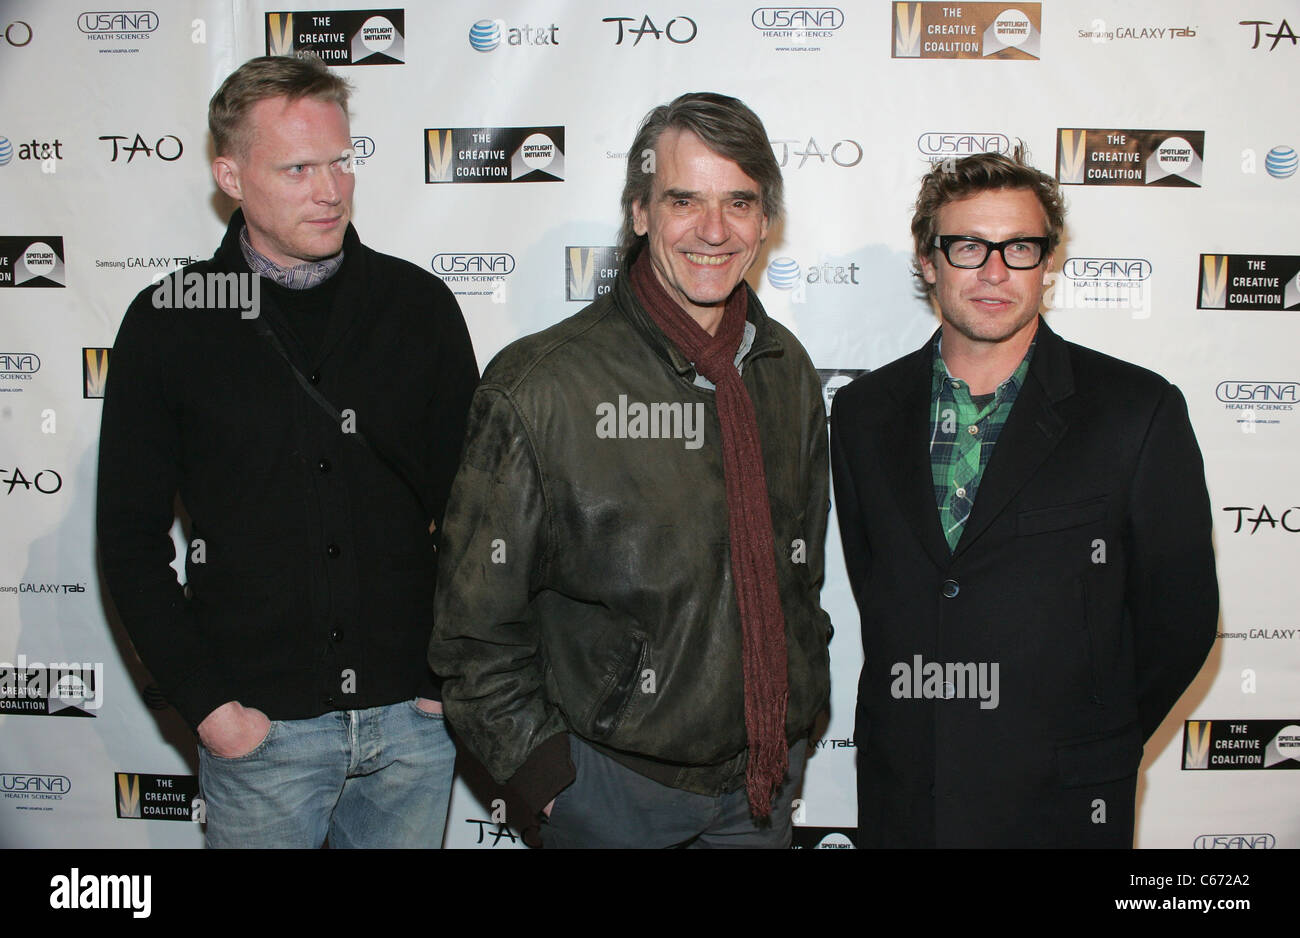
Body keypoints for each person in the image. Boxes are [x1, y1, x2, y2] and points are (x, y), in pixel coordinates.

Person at [428, 92, 832, 848]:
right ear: (641, 212)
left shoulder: (786, 371)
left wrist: (799, 716)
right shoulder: (541, 387)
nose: (714, 231)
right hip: (608, 792)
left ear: (765, 222)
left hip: (761, 787)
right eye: (685, 200)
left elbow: (796, 576)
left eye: (739, 202)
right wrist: (552, 785)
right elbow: (474, 630)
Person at [96, 55, 479, 848]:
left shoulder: (418, 306)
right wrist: (212, 709)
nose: (331, 188)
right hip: (259, 737)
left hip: (413, 729)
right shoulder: (171, 322)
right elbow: (129, 542)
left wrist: (445, 681)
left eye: (341, 161)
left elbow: (477, 512)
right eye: (298, 167)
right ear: (230, 175)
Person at [830, 148, 1218, 847]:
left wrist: (1092, 737)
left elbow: (1181, 618)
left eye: (1020, 248)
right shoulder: (861, 414)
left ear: (1048, 262)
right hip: (905, 796)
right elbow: (883, 591)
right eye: (969, 246)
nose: (995, 272)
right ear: (929, 260)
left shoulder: (1136, 410)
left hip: (1061, 805)